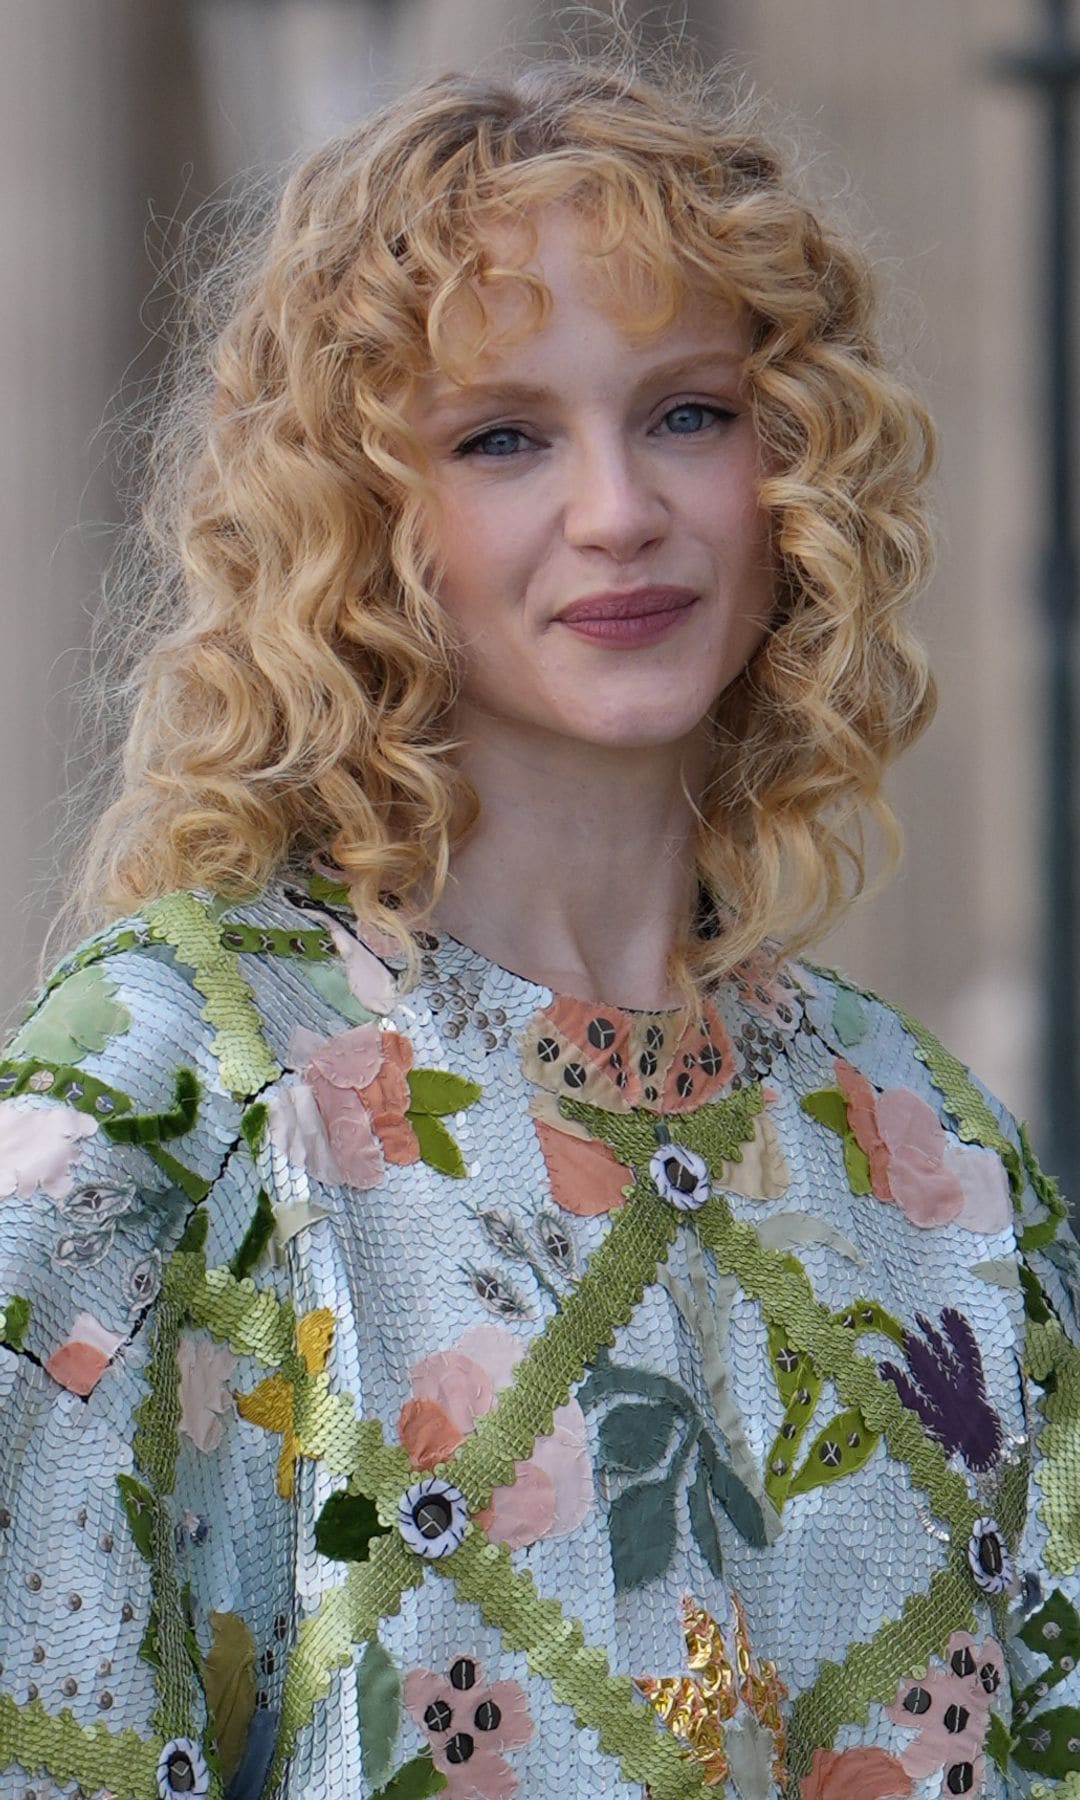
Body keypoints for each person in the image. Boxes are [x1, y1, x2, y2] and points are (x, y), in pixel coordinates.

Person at [1, 49, 1077, 1800]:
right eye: (504, 436)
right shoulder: (165, 1109)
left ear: (792, 461)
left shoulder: (938, 1167)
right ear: (363, 524)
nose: (619, 511)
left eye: (688, 412)